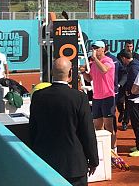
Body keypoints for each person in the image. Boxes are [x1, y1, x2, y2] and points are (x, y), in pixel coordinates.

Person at [30, 58, 98, 186]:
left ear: (51, 73)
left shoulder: (38, 96)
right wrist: (93, 160)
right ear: (70, 74)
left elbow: (33, 129)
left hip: (45, 163)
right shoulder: (79, 97)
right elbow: (87, 132)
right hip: (73, 166)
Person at [82, 40, 117, 151]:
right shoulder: (93, 64)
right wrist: (83, 73)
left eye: (97, 48)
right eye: (94, 48)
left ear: (103, 49)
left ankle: (112, 149)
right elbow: (90, 78)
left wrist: (95, 59)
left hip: (108, 97)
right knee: (97, 126)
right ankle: (101, 150)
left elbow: (104, 70)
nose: (95, 50)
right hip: (96, 98)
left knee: (109, 126)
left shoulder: (108, 61)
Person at [118, 49, 139, 157]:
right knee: (135, 124)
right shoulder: (134, 66)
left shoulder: (133, 68)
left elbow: (135, 84)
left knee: (137, 125)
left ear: (124, 58)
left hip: (136, 100)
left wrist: (129, 92)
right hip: (135, 99)